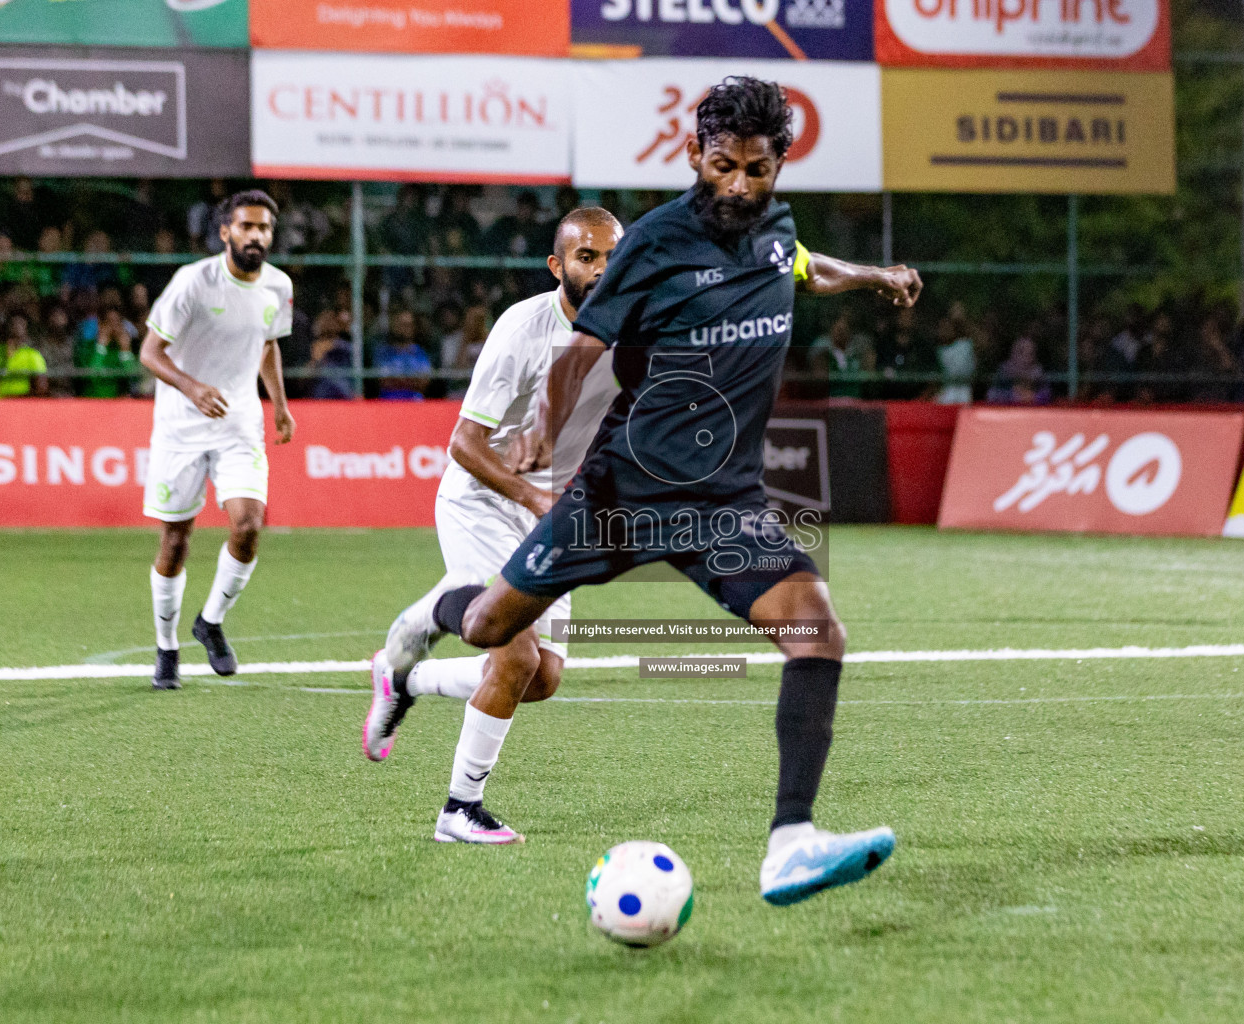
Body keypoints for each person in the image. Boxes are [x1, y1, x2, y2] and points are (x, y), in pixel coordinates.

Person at [363, 77, 921, 905]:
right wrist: (545, 436)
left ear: (779, 166)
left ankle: (790, 843)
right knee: (489, 628)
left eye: (757, 170)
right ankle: (411, 643)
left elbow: (807, 269)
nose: (739, 184)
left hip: (724, 502)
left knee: (817, 634)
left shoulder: (777, 229)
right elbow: (579, 351)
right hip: (621, 494)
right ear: (694, 154)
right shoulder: (655, 242)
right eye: (723, 164)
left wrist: (877, 276)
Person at [362, 208, 626, 848]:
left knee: (541, 681)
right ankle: (459, 809)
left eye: (611, 256)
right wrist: (536, 499)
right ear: (557, 266)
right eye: (586, 258)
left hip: (551, 510)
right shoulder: (522, 330)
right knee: (514, 653)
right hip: (484, 499)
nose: (601, 269)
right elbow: (464, 443)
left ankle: (405, 676)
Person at [138, 190, 297, 689]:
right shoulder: (193, 281)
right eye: (247, 226)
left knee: (248, 525)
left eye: (264, 228)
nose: (256, 236)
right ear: (226, 232)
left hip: (238, 424)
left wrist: (281, 406)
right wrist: (192, 387)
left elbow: (268, 344)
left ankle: (209, 622)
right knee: (176, 540)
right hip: (181, 428)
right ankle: (166, 648)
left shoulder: (277, 286)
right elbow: (150, 352)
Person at [0, 314, 49, 398]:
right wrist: (6, 358)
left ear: (26, 335)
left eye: (20, 326)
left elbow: (42, 386)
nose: (15, 328)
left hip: (21, 401)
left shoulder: (33, 355)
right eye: (12, 325)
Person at [374, 309, 433, 400]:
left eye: (408, 325)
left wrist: (397, 379)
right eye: (401, 324)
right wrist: (411, 380)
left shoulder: (420, 353)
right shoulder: (383, 352)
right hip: (388, 402)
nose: (405, 328)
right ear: (393, 326)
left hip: (415, 402)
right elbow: (384, 381)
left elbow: (424, 383)